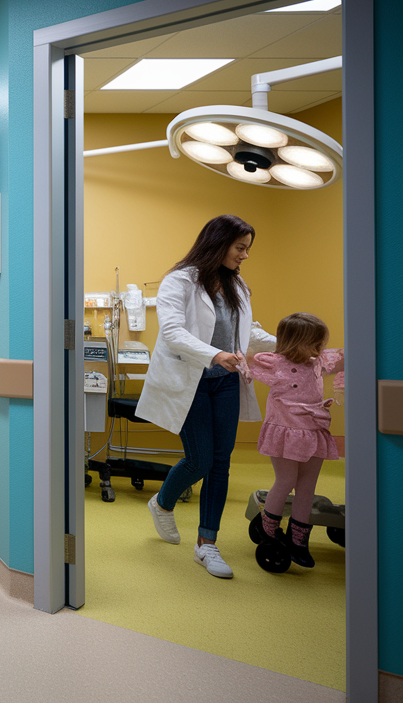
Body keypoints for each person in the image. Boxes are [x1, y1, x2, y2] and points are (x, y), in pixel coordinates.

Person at [136, 214, 275, 579]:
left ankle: (206, 544)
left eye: (247, 249)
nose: (245, 255)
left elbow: (249, 332)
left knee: (220, 461)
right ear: (218, 243)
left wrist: (292, 346)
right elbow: (171, 331)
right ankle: (163, 503)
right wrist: (214, 355)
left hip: (227, 381)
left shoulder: (238, 286)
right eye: (240, 248)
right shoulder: (180, 281)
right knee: (199, 461)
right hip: (191, 380)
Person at [245, 313, 344, 568]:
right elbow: (244, 362)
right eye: (316, 342)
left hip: (313, 431)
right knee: (286, 480)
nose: (320, 348)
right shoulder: (274, 363)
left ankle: (299, 540)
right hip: (285, 433)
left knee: (307, 487)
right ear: (298, 342)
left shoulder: (319, 362)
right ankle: (270, 531)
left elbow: (345, 359)